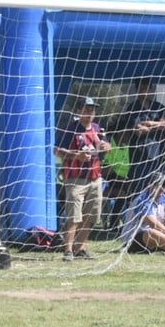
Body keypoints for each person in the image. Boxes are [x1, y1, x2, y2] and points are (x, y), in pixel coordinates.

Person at [56, 96, 112, 261]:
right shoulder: (71, 129)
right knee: (74, 216)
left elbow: (105, 147)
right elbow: (57, 150)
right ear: (79, 111)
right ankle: (67, 250)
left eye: (92, 110)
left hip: (95, 178)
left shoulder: (97, 129)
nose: (90, 113)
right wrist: (76, 156)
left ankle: (80, 248)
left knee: (92, 215)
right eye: (86, 109)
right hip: (76, 179)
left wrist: (107, 147)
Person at [124, 79, 165, 193]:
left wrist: (150, 124)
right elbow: (139, 130)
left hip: (158, 155)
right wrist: (159, 125)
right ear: (137, 90)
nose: (145, 91)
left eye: (147, 88)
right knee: (141, 192)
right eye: (142, 88)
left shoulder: (159, 106)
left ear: (151, 89)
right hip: (140, 157)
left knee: (161, 190)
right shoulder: (132, 108)